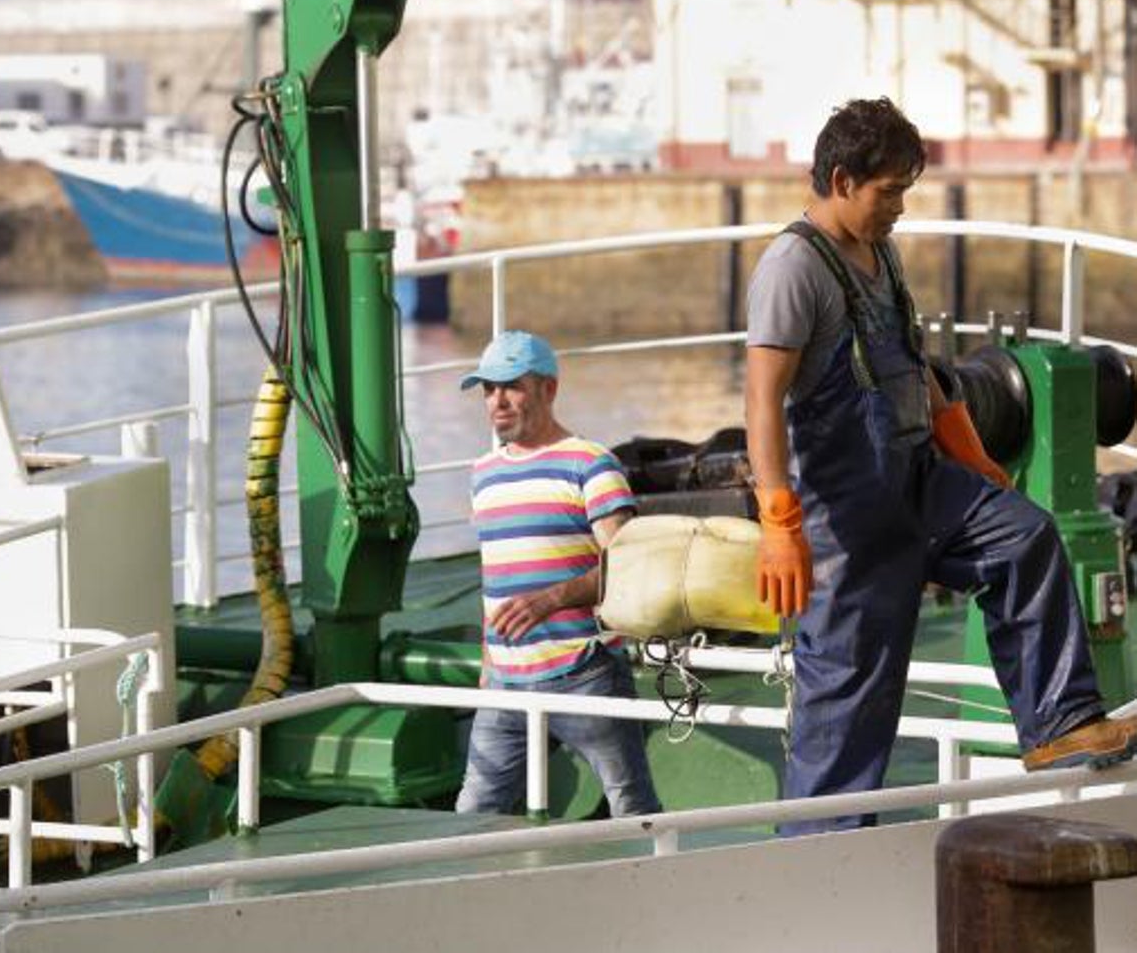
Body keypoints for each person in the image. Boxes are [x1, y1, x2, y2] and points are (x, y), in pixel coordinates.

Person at [744, 96, 1137, 834]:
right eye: (889, 192)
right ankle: (814, 859)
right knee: (850, 702)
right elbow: (762, 398)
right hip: (847, 520)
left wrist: (971, 454)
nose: (899, 208)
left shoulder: (880, 254)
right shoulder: (792, 267)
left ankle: (1058, 722)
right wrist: (778, 517)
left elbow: (915, 368)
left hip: (920, 480)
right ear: (841, 179)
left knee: (1024, 537)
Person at [455, 329, 661, 817]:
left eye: (511, 386)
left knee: (631, 803)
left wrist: (551, 600)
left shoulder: (592, 465)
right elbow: (495, 577)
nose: (497, 402)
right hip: (505, 682)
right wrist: (489, 664)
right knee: (472, 811)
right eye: (488, 389)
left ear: (549, 389)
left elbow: (625, 570)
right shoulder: (483, 473)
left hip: (583, 671)